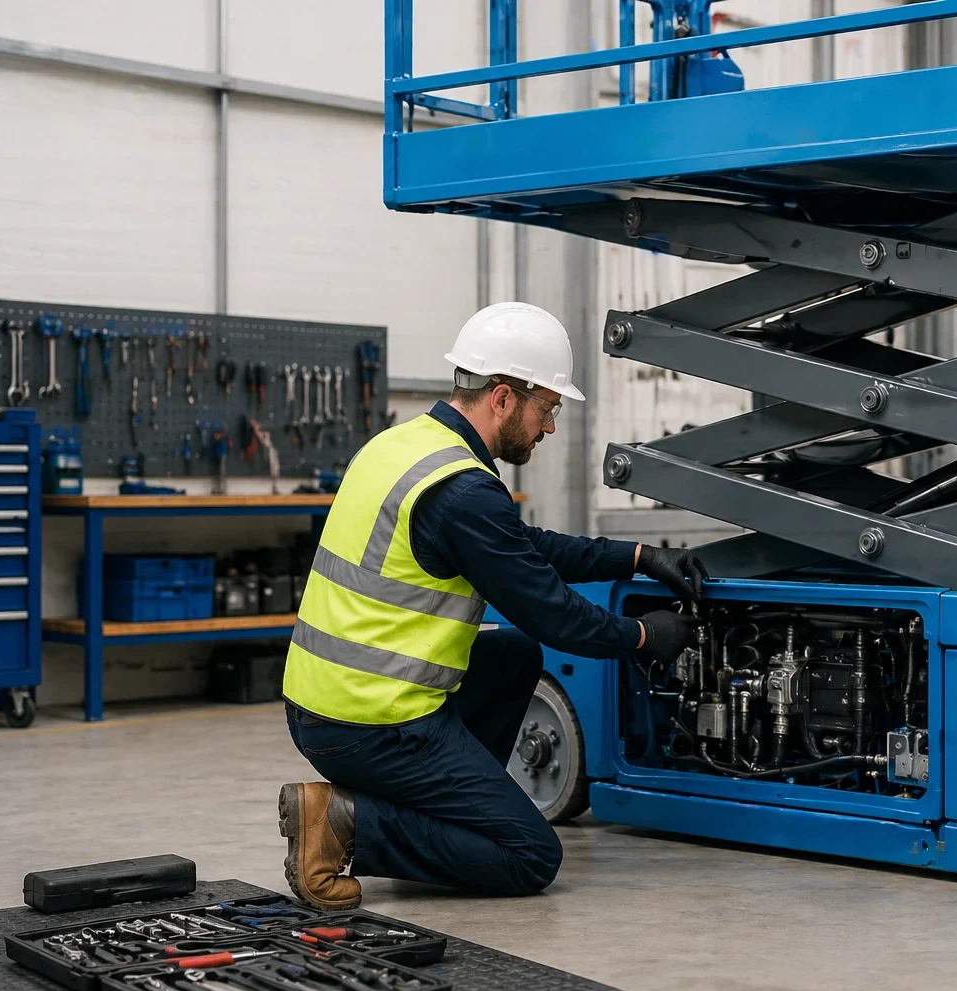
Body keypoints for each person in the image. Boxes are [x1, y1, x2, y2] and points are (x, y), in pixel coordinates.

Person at [279, 301, 703, 909]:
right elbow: (552, 612)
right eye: (547, 408)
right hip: (371, 724)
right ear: (503, 398)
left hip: (325, 701)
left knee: (512, 656)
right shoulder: (463, 492)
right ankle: (347, 822)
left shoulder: (403, 447)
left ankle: (433, 820)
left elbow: (522, 546)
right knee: (530, 855)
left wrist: (636, 556)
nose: (549, 427)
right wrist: (643, 636)